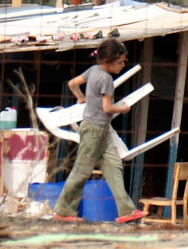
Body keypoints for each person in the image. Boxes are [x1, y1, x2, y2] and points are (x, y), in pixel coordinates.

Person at [52, 38, 146, 223]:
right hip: (94, 130)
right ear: (107, 61)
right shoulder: (106, 79)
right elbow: (107, 108)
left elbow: (72, 84)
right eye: (120, 62)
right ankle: (63, 211)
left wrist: (81, 98)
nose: (123, 65)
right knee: (82, 169)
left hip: (100, 130)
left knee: (113, 166)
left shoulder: (93, 70)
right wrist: (124, 108)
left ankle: (127, 211)